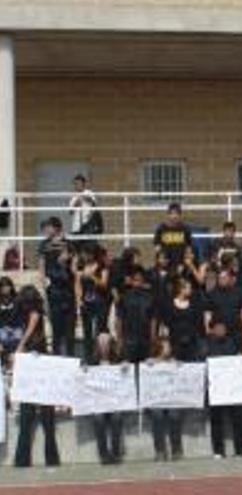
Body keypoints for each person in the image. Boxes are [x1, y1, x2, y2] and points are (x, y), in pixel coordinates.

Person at [13, 285, 61, 468]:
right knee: (39, 415)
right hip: (37, 362)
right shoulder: (36, 314)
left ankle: (23, 459)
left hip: (38, 360)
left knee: (34, 414)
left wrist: (20, 346)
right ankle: (49, 458)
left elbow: (32, 328)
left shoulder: (35, 314)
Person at [206, 319, 242, 458]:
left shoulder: (232, 342)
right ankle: (218, 450)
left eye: (223, 328)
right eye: (218, 328)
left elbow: (240, 359)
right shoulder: (205, 344)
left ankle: (241, 449)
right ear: (212, 329)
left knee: (238, 419)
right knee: (217, 421)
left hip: (233, 388)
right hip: (216, 389)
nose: (221, 330)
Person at [38, 217, 77, 356]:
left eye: (48, 227)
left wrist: (66, 261)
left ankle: (71, 358)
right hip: (53, 291)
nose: (45, 230)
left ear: (56, 228)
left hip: (67, 291)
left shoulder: (69, 245)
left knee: (69, 330)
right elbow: (42, 268)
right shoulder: (44, 245)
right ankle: (56, 359)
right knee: (56, 329)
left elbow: (74, 270)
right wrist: (44, 286)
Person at [145, 338, 185, 462]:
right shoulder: (151, 362)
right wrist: (150, 364)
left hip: (172, 399)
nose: (168, 349)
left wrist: (179, 366)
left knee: (175, 415)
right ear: (159, 348)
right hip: (156, 400)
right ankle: (160, 450)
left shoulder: (174, 362)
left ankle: (176, 449)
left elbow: (185, 377)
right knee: (157, 415)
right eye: (166, 346)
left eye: (169, 346)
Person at [90, 333, 126, 465]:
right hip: (98, 402)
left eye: (106, 343)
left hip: (115, 401)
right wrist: (83, 370)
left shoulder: (118, 358)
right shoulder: (91, 360)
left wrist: (125, 367)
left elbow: (126, 376)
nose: (104, 347)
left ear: (111, 345)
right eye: (101, 344)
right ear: (97, 346)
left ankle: (116, 453)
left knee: (117, 417)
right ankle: (103, 454)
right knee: (98, 418)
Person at [75, 244, 110, 360]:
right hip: (86, 301)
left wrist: (93, 277)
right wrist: (79, 300)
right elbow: (78, 285)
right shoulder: (81, 267)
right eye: (83, 254)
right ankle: (88, 356)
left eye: (87, 254)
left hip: (99, 300)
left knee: (99, 329)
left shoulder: (102, 267)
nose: (85, 256)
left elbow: (104, 284)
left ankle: (100, 355)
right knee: (87, 330)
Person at [116, 266, 156, 363]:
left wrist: (153, 337)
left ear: (143, 281)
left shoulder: (150, 298)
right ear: (131, 281)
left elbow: (153, 319)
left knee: (145, 371)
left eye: (140, 280)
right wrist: (119, 339)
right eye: (135, 280)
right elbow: (119, 319)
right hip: (128, 340)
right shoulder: (124, 297)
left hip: (145, 339)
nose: (137, 283)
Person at [205, 268, 242, 352]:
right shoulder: (211, 294)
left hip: (236, 330)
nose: (222, 280)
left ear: (229, 278)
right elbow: (207, 313)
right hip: (219, 333)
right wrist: (208, 330)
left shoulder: (239, 292)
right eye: (220, 278)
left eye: (225, 277)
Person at [164, 278, 203, 362]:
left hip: (191, 342)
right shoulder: (170, 304)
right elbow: (166, 324)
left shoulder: (193, 304)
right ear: (181, 289)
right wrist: (166, 343)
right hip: (175, 341)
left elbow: (197, 322)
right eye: (189, 288)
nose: (191, 290)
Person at [153, 203, 193, 269]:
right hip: (165, 263)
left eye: (177, 214)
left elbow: (188, 248)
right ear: (168, 215)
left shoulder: (185, 229)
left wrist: (185, 263)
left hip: (180, 264)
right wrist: (158, 264)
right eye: (172, 213)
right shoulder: (161, 228)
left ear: (180, 215)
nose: (174, 216)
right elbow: (157, 248)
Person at [69, 174, 101, 252]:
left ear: (83, 184)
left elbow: (94, 204)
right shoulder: (73, 196)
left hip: (88, 225)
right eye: (75, 184)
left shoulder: (89, 193)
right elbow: (70, 211)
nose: (77, 185)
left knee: (89, 247)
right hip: (76, 226)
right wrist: (76, 204)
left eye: (78, 183)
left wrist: (85, 197)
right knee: (76, 247)